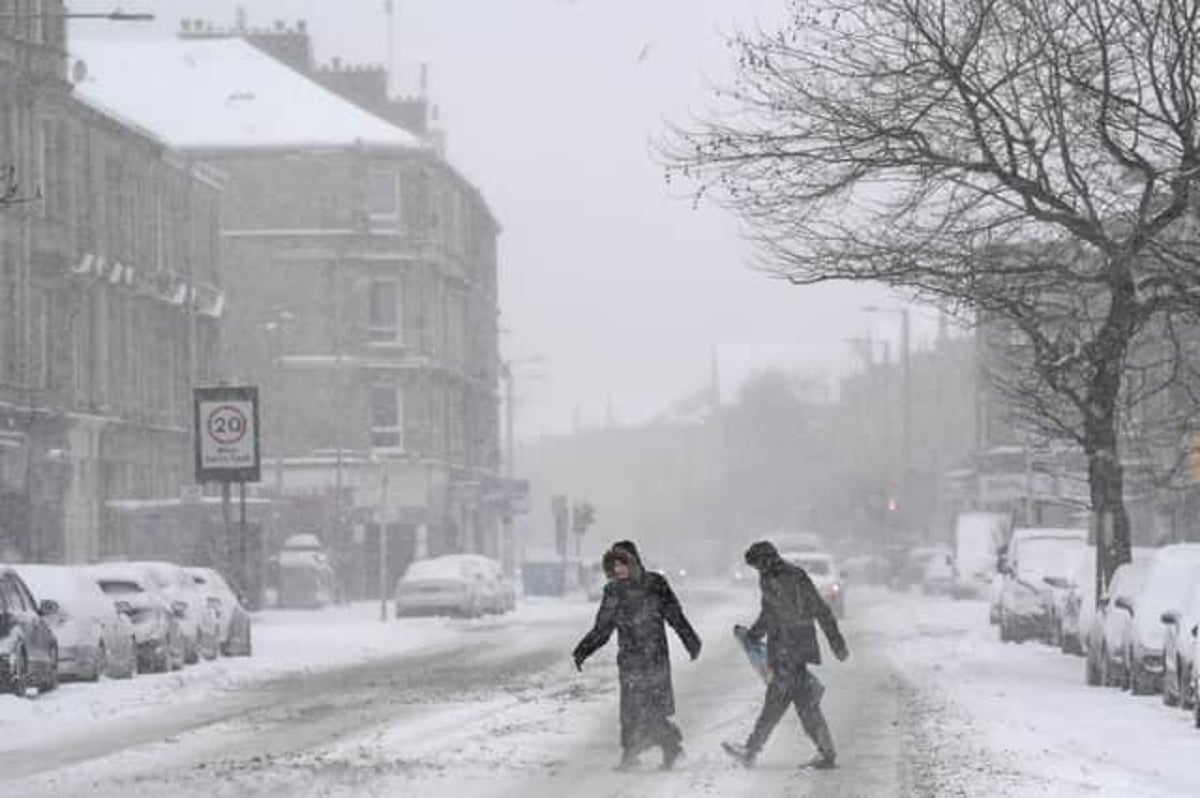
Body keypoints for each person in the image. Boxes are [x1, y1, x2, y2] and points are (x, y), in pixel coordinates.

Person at [573, 541, 702, 771]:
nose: (618, 570)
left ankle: (668, 746)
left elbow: (675, 615)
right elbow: (603, 628)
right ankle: (632, 755)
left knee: (653, 710)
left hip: (655, 657)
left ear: (633, 561)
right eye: (614, 565)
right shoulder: (613, 591)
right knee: (630, 711)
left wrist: (690, 640)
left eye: (622, 563)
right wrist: (583, 649)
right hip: (630, 660)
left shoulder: (655, 584)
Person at [722, 540, 849, 770]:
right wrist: (753, 634)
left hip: (791, 648)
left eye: (758, 565)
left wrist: (836, 642)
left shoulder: (793, 576)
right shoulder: (769, 577)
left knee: (776, 702)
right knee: (804, 704)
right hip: (787, 648)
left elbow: (819, 608)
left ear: (766, 559)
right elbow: (769, 612)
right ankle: (826, 752)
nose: (757, 570)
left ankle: (751, 750)